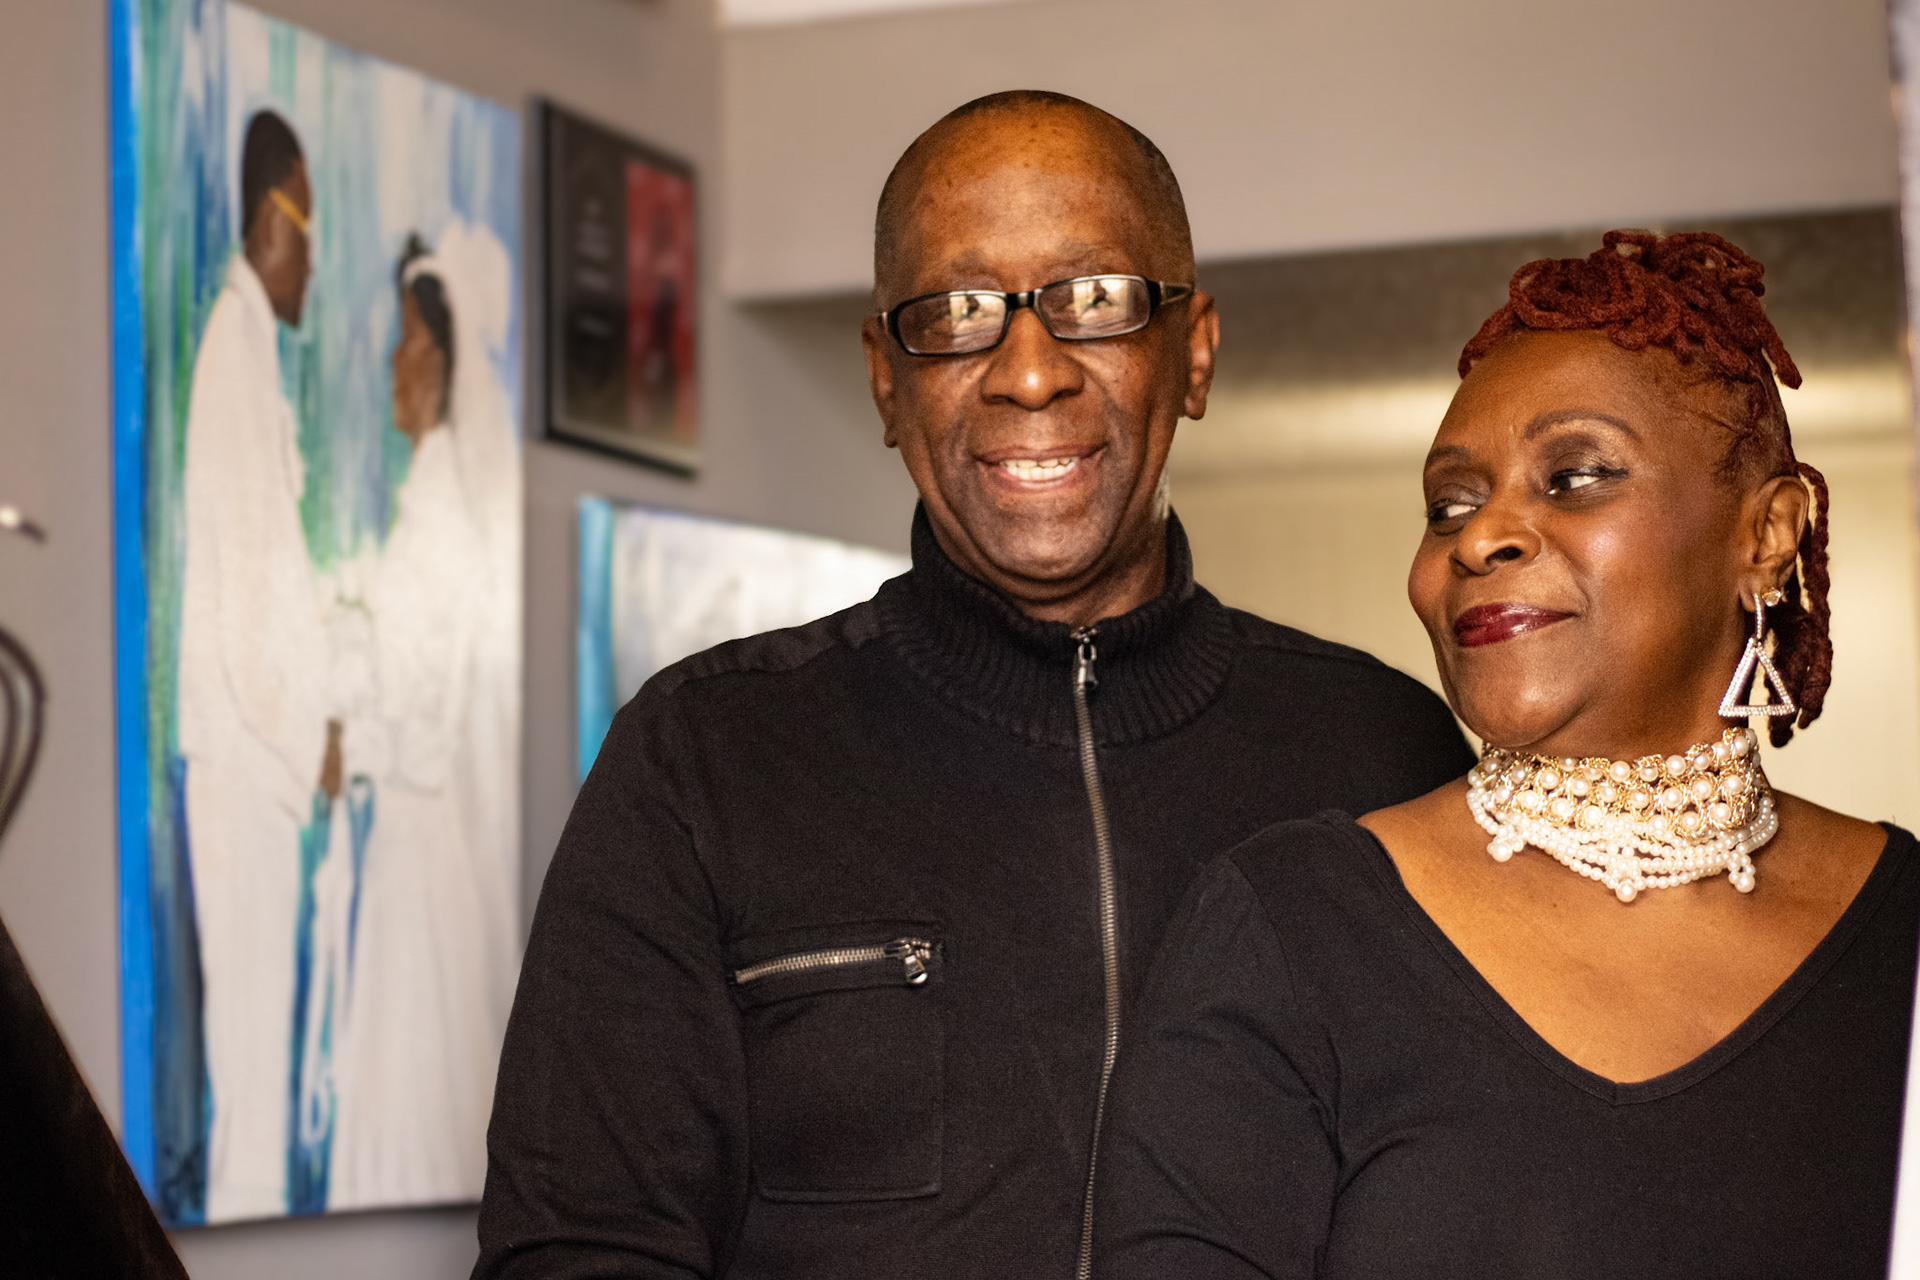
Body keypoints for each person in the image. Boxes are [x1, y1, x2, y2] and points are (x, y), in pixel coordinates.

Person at [474, 91, 1472, 1280]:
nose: (1029, 373)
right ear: (885, 380)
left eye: (1093, 297)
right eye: (956, 312)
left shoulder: (1386, 754)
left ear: (1193, 351)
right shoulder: (703, 758)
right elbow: (575, 1250)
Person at [1094, 231, 1916, 1279]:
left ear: (1768, 535)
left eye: (1574, 477)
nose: (1480, 537)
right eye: (1449, 504)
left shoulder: (1903, 924)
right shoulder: (1292, 927)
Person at [326, 224, 521, 1210]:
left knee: (407, 1034)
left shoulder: (440, 515)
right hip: (412, 827)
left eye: (408, 340)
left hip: (416, 833)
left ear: (441, 363)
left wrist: (347, 731)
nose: (393, 364)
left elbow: (423, 715)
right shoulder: (429, 503)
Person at [176, 107, 339, 1221]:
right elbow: (245, 599)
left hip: (262, 764)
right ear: (270, 213)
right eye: (309, 229)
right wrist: (306, 736)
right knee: (246, 1060)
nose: (313, 260)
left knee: (260, 1053)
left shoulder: (249, 353)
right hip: (247, 762)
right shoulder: (232, 353)